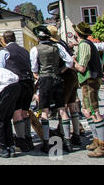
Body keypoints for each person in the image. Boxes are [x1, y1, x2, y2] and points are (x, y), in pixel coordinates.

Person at [30, 25, 74, 153]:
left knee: (45, 111)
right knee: (62, 109)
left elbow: (34, 68)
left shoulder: (35, 49)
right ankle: (67, 141)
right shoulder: (58, 47)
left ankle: (47, 142)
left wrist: (37, 75)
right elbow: (70, 61)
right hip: (57, 78)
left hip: (45, 80)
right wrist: (61, 70)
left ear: (38, 37)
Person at [73, 22, 104, 158]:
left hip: (89, 80)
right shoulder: (89, 44)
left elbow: (82, 67)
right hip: (89, 81)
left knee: (94, 112)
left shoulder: (84, 45)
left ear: (77, 33)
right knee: (87, 111)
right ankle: (96, 140)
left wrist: (74, 62)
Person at [47, 25, 83, 146]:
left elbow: (69, 61)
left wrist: (61, 70)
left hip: (66, 76)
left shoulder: (57, 46)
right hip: (72, 75)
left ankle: (64, 135)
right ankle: (76, 134)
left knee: (63, 106)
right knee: (72, 105)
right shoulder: (62, 43)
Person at [0, 31, 35, 152]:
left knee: (17, 113)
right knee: (25, 111)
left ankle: (21, 141)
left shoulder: (4, 51)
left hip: (17, 82)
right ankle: (28, 138)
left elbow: (1, 70)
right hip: (29, 82)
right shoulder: (25, 50)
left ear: (4, 40)